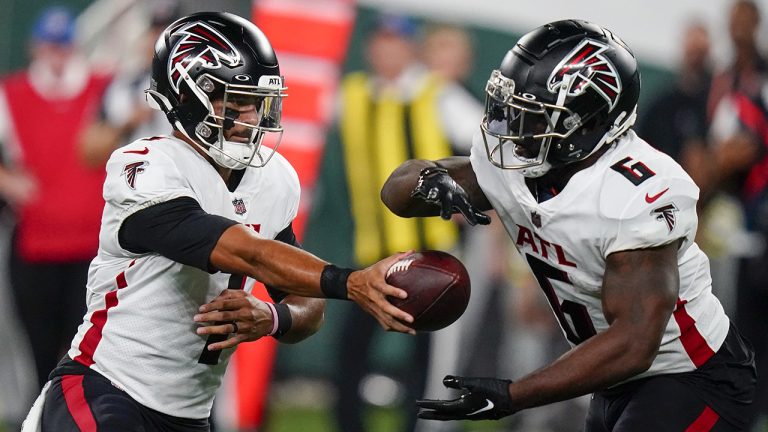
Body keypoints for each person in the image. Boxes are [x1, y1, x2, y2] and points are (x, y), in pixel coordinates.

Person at [21, 12, 415, 432]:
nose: (251, 119)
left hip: (190, 416)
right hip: (105, 391)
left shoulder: (274, 179)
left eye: (258, 103)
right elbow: (240, 250)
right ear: (189, 97)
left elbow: (303, 298)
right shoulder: (145, 166)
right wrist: (350, 283)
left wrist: (272, 317)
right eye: (236, 102)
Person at [381, 20, 757, 431]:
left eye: (534, 115)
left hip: (689, 372)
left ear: (589, 120)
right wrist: (427, 182)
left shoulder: (634, 191)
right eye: (511, 109)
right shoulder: (517, 160)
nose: (512, 128)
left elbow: (635, 342)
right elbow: (396, 192)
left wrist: (513, 395)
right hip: (613, 381)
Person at [314, 14, 480, 432]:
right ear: (371, 48)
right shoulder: (350, 94)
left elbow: (487, 141)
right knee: (350, 351)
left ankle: (424, 425)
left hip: (433, 251)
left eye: (397, 42)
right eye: (381, 41)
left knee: (430, 355)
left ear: (411, 49)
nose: (388, 50)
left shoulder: (436, 94)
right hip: (374, 250)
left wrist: (472, 194)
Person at [0, 6, 112, 391]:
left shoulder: (104, 88)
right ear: (35, 48)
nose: (56, 56)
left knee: (89, 355)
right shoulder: (13, 93)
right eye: (49, 46)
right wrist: (9, 182)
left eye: (62, 46)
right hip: (36, 245)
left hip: (93, 249)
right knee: (40, 354)